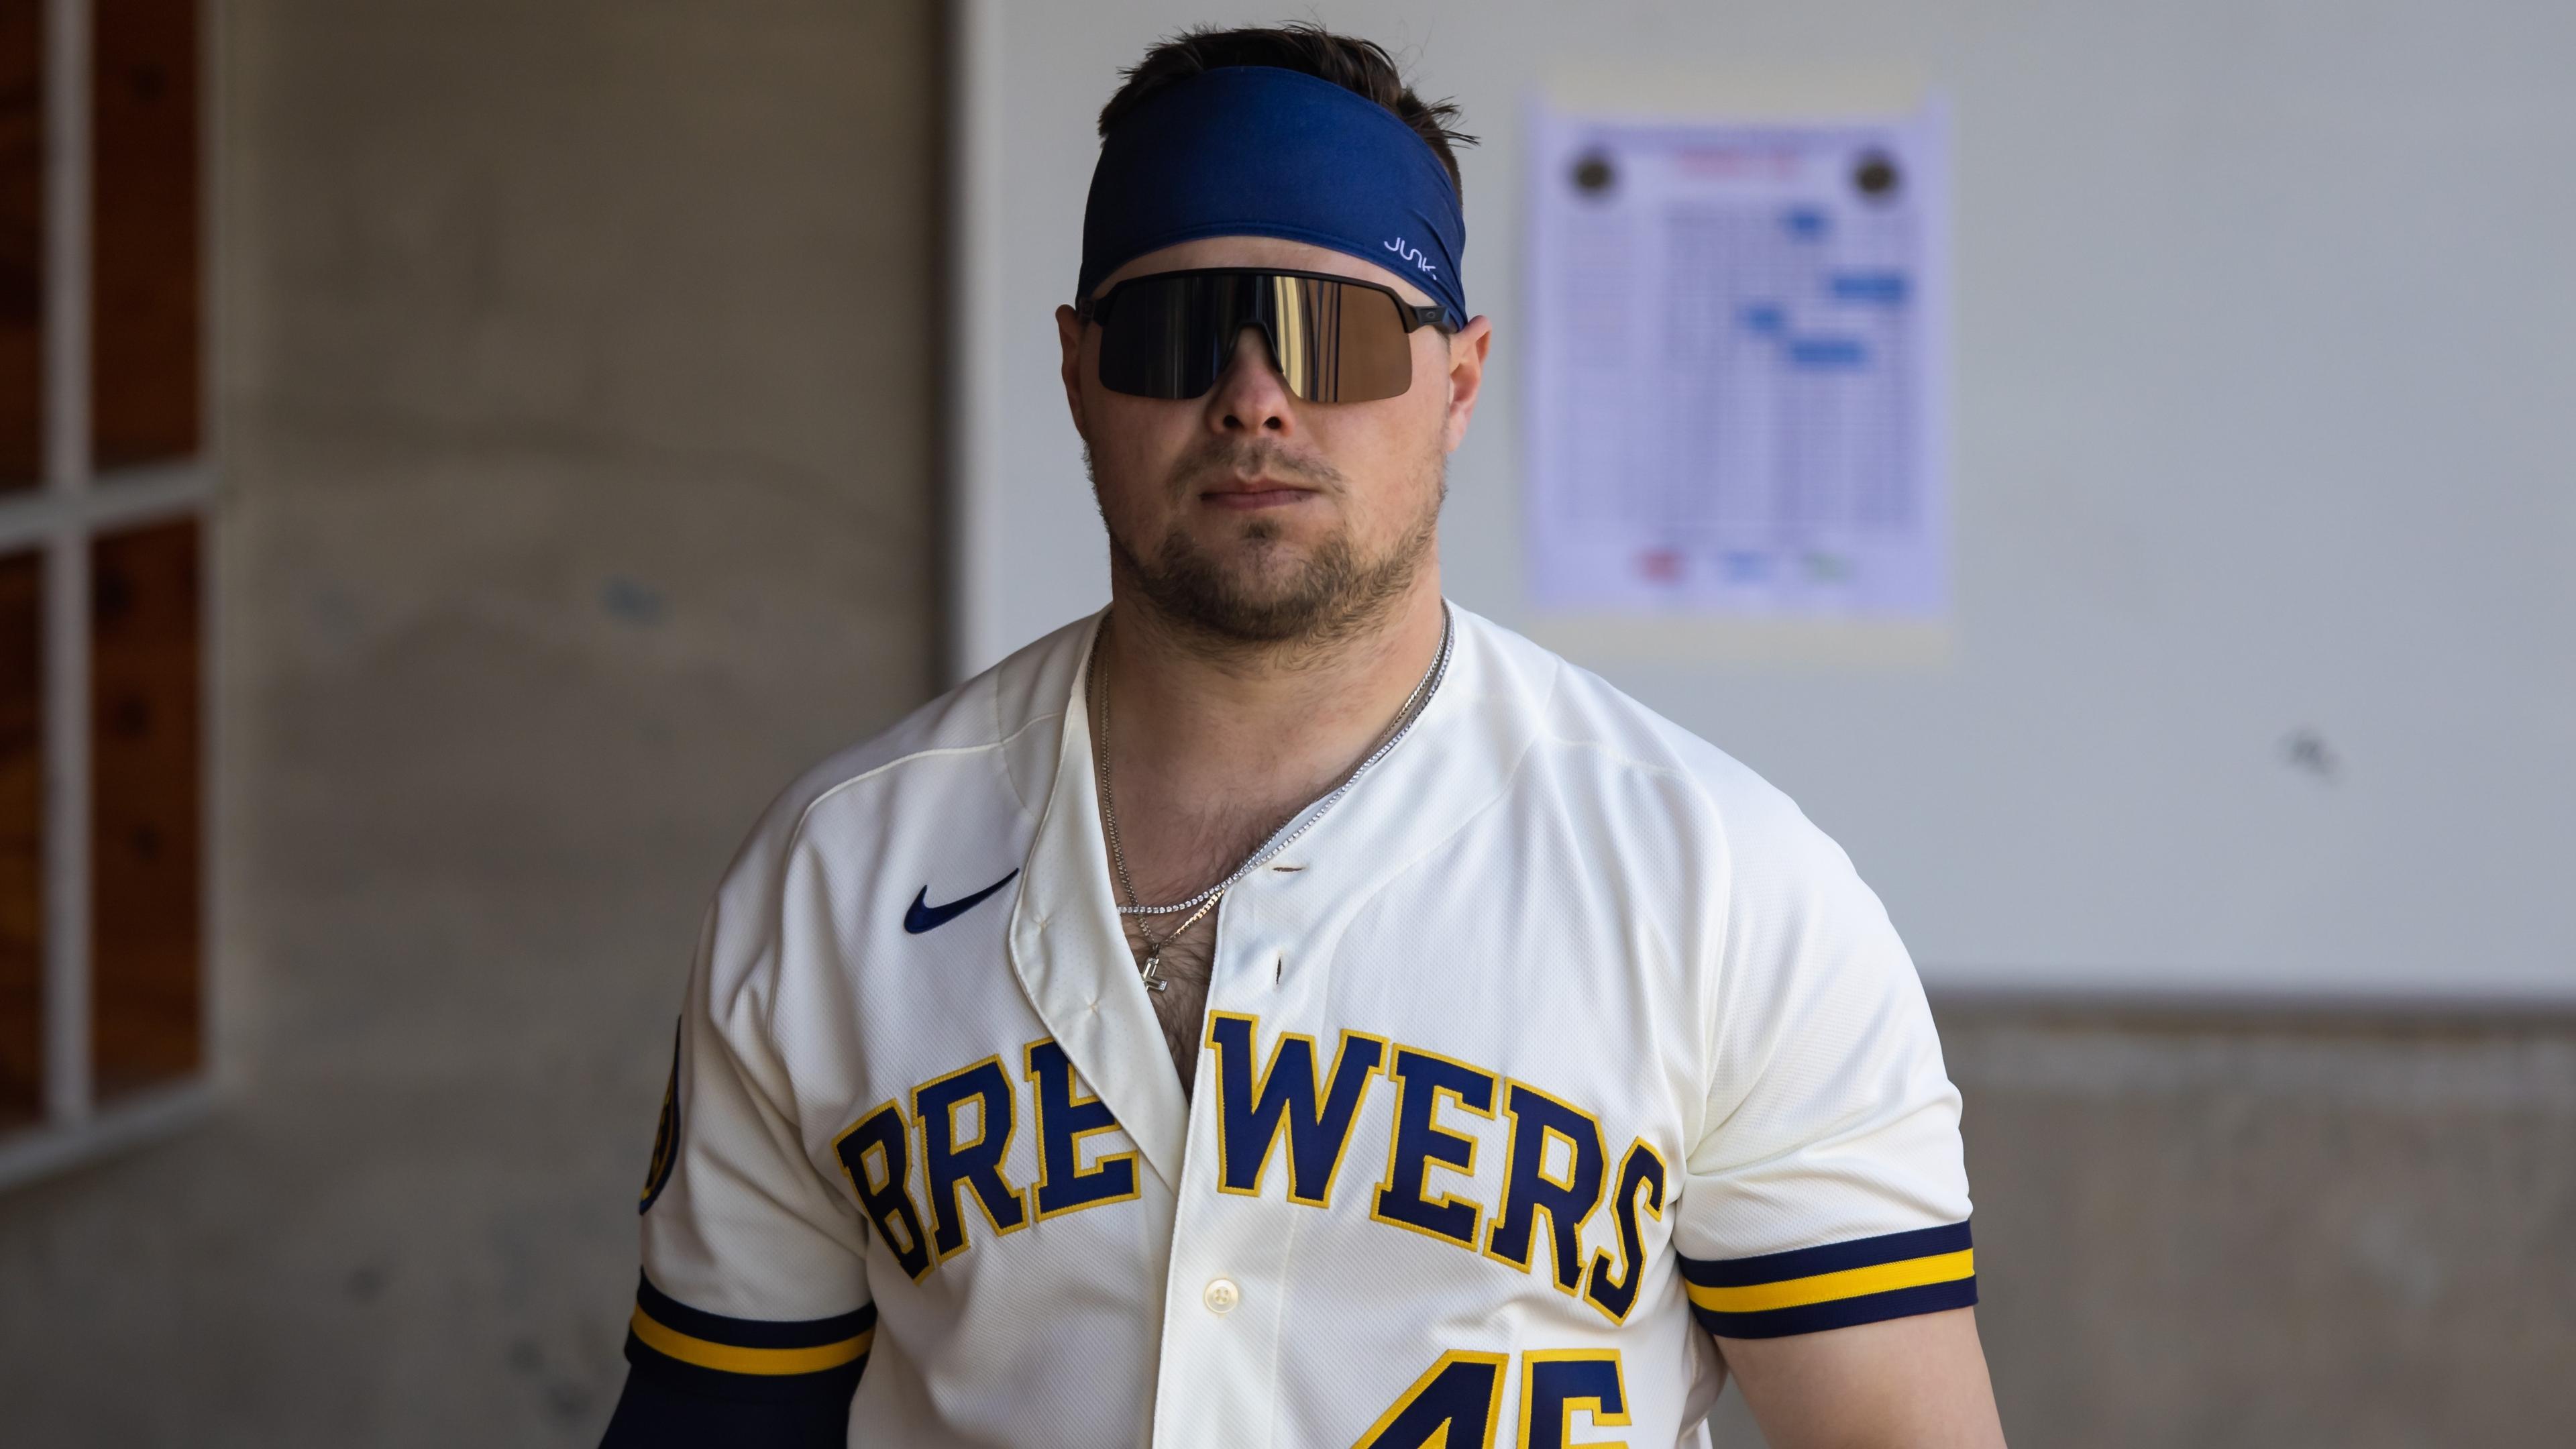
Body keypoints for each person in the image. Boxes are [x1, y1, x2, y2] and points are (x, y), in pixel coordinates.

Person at [599, 21, 2005, 1448]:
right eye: (1178, 332)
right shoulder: (837, 875)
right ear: (1081, 372)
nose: (1256, 395)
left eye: (1332, 333)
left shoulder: (1730, 891)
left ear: (1456, 383)